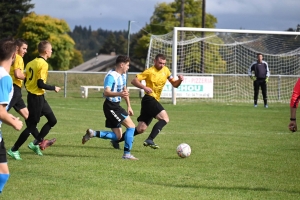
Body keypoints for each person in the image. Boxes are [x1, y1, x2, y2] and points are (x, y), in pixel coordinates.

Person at [110, 53, 184, 150]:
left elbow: (175, 84)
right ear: (155, 61)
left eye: (164, 63)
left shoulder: (166, 70)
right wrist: (144, 87)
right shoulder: (149, 71)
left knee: (141, 129)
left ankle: (116, 140)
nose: (162, 65)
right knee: (165, 118)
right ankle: (150, 139)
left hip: (151, 101)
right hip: (149, 99)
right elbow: (134, 81)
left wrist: (180, 80)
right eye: (160, 63)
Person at [7, 40, 60, 160]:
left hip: (38, 96)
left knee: (52, 120)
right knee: (31, 126)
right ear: (46, 51)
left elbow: (27, 80)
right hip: (36, 97)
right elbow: (40, 83)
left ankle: (36, 142)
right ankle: (14, 149)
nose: (51, 51)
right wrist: (54, 87)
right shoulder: (43, 64)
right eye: (51, 50)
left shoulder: (30, 63)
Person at [82, 55, 138, 160]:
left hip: (116, 106)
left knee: (118, 136)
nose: (128, 67)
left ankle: (93, 133)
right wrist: (119, 94)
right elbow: (106, 92)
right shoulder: (111, 76)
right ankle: (126, 154)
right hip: (111, 106)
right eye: (127, 65)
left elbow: (124, 92)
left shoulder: (123, 75)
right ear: (122, 65)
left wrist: (129, 106)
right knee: (131, 127)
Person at [0, 38, 23, 193]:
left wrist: (10, 117)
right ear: (14, 55)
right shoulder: (5, 78)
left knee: (3, 173)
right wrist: (15, 123)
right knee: (3, 174)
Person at [7, 39, 29, 119]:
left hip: (14, 89)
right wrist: (30, 79)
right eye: (24, 48)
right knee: (3, 112)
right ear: (17, 48)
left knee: (28, 116)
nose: (25, 51)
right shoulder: (18, 58)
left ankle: (36, 132)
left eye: (26, 49)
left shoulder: (9, 57)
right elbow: (17, 74)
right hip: (14, 89)